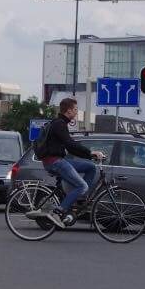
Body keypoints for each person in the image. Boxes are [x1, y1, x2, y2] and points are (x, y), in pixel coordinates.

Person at [35, 98, 105, 229]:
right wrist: (90, 152)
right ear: (68, 111)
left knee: (90, 167)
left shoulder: (61, 123)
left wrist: (89, 156)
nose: (76, 112)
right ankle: (58, 212)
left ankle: (80, 198)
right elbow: (70, 143)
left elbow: (71, 147)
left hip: (59, 160)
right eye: (75, 109)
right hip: (55, 162)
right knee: (82, 186)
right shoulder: (59, 124)